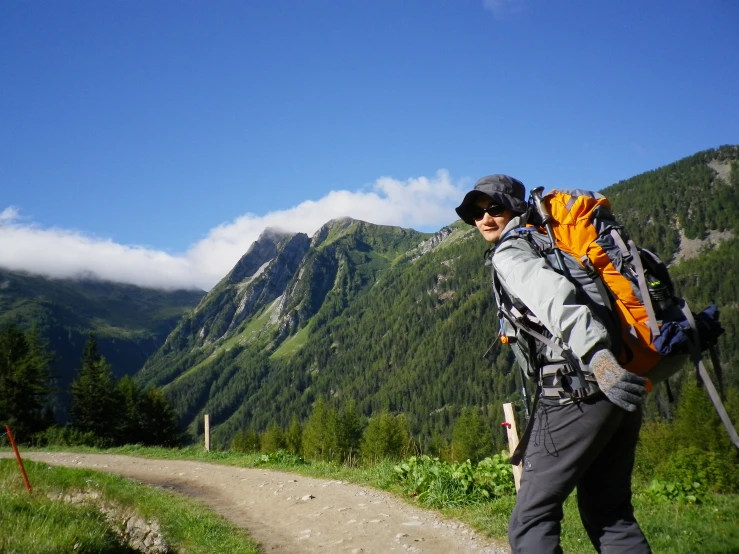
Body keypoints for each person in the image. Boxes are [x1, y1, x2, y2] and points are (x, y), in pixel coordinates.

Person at [455, 174, 652, 554]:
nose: (485, 219)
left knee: (531, 519)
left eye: (494, 208)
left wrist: (597, 357)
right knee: (609, 513)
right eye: (475, 213)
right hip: (619, 385)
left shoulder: (512, 251)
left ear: (515, 208)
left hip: (577, 389)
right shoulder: (549, 243)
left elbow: (554, 298)